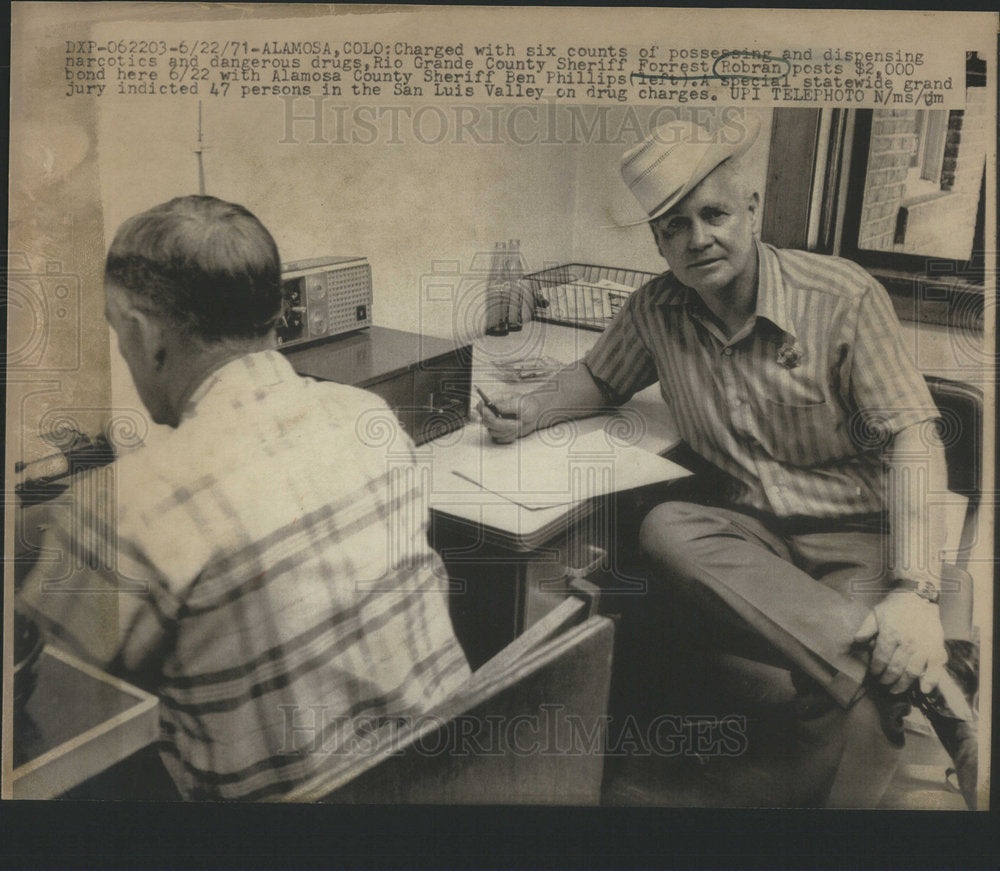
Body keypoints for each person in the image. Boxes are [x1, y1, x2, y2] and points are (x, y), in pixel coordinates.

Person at [479, 120, 956, 807]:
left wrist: (915, 592)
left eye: (715, 214)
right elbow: (597, 376)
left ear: (753, 210)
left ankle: (880, 677)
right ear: (657, 242)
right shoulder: (655, 309)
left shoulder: (842, 296)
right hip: (751, 540)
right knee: (666, 525)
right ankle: (898, 671)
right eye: (674, 226)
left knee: (854, 717)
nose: (697, 238)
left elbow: (916, 437)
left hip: (859, 534)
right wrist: (531, 409)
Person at [17, 196, 471, 801]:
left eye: (115, 329)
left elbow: (53, 697)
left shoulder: (126, 504)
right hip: (446, 789)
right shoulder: (371, 420)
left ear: (145, 333)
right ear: (272, 311)